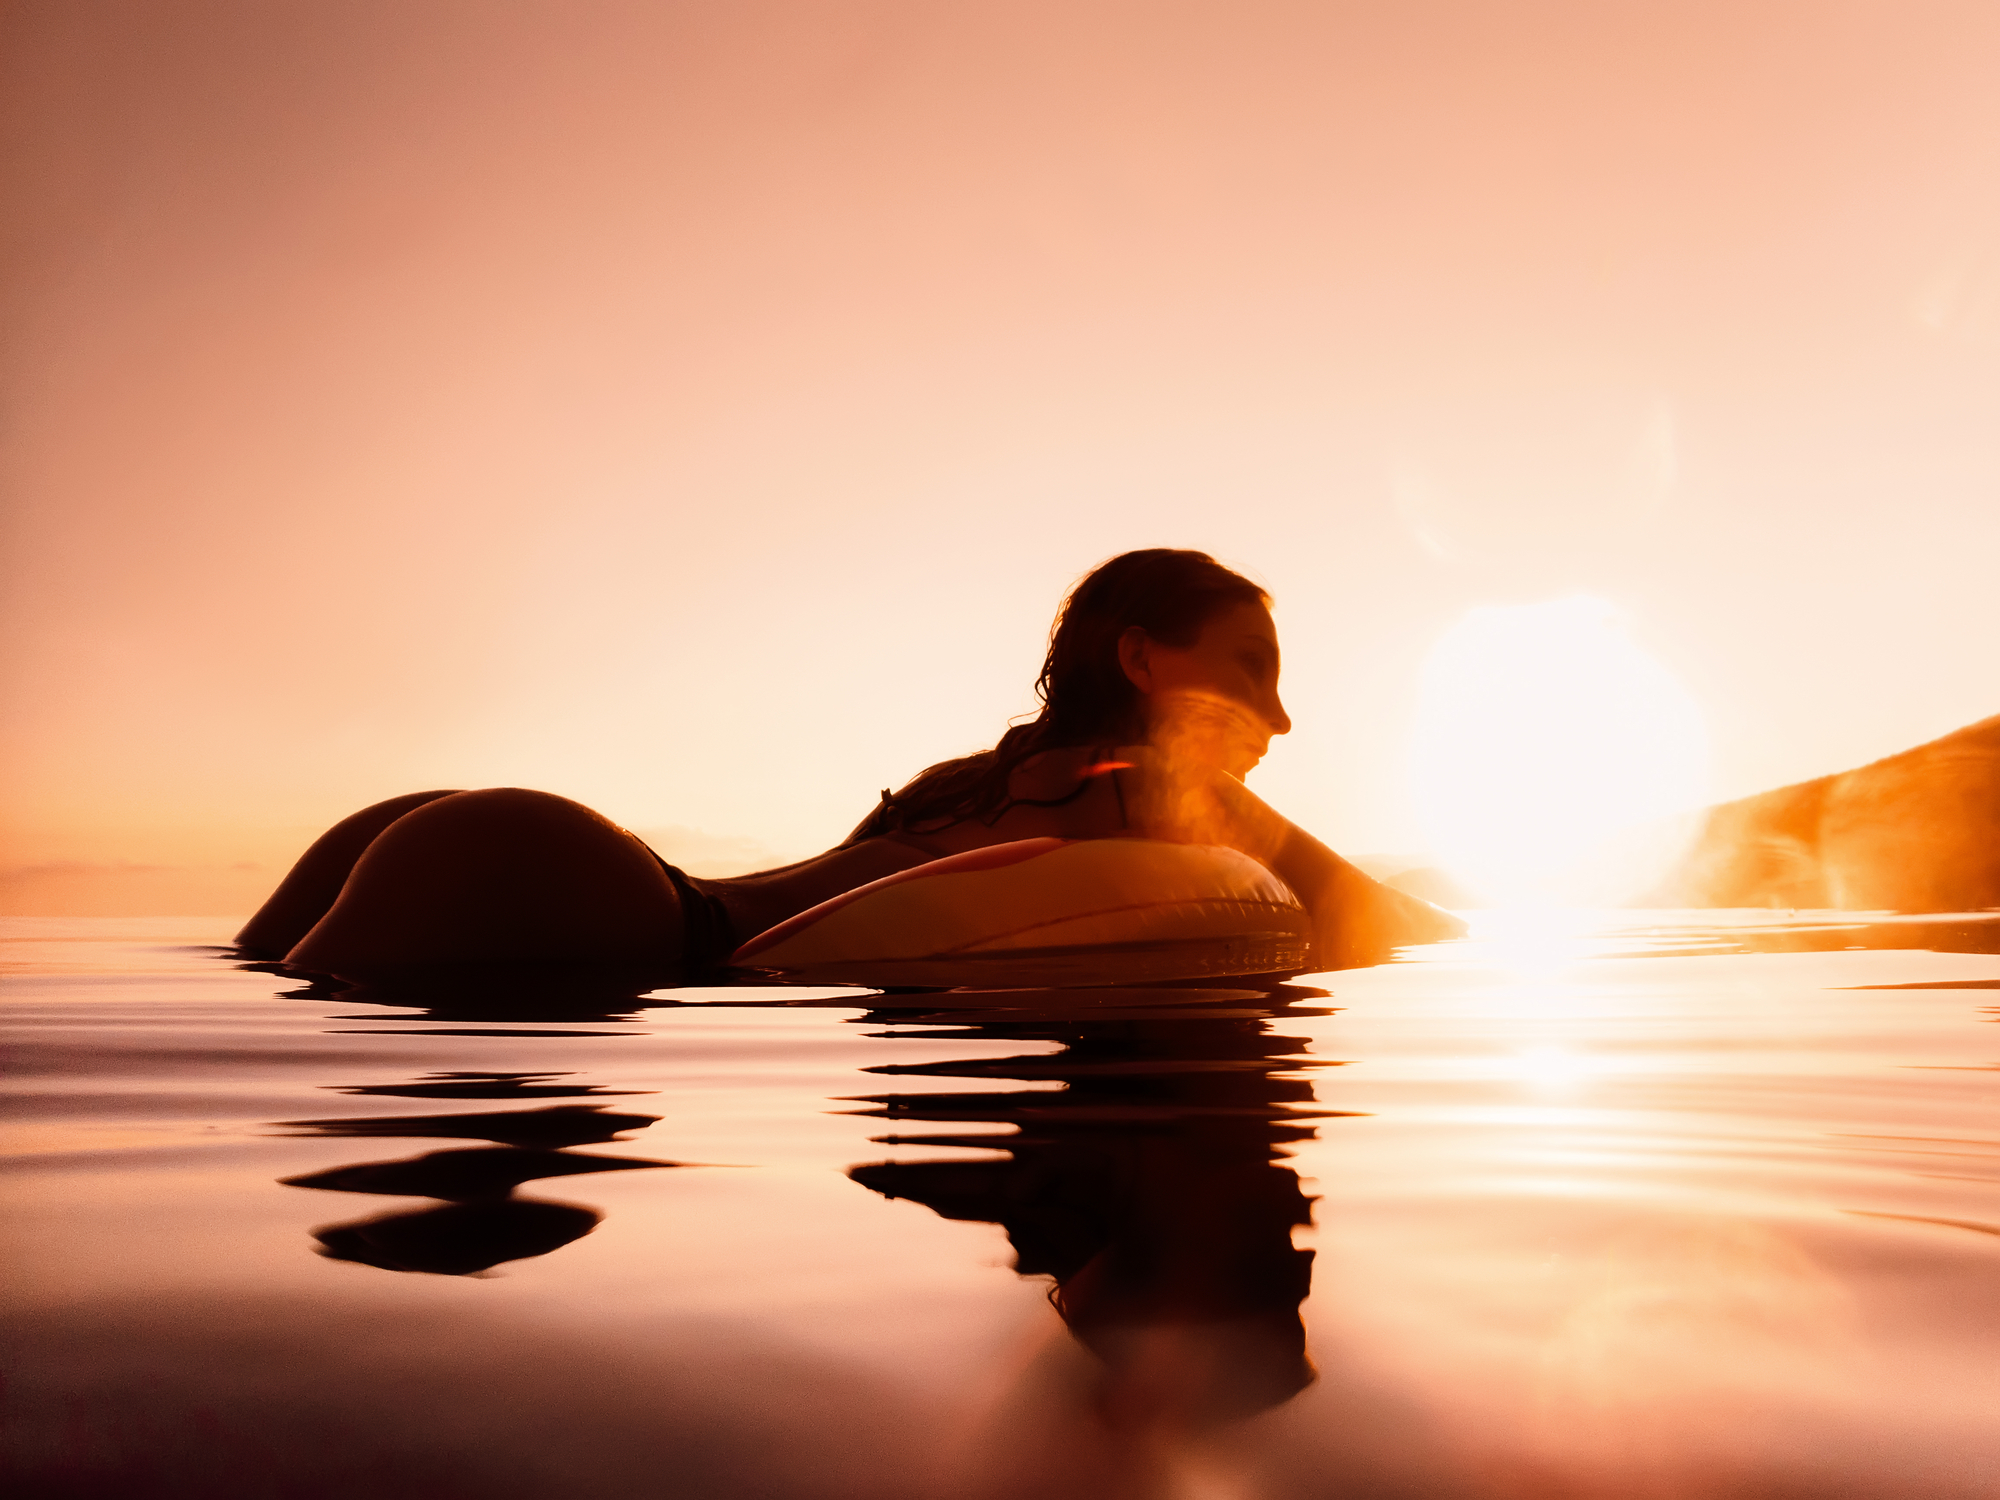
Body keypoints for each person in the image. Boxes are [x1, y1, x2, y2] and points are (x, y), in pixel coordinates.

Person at [237, 549, 1462, 982]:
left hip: (528, 848)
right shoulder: (1164, 799)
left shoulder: (964, 777)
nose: (1280, 716)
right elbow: (1385, 923)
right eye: (1250, 667)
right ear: (1142, 661)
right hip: (588, 908)